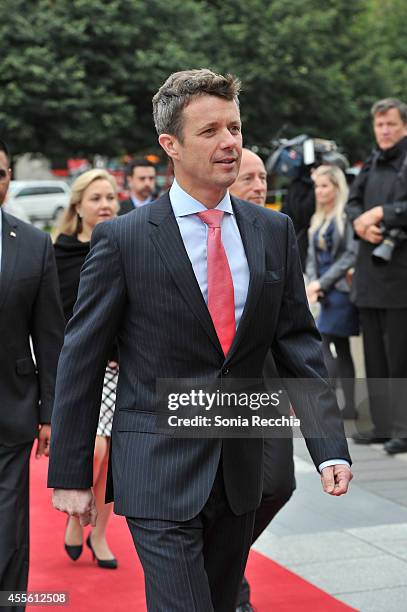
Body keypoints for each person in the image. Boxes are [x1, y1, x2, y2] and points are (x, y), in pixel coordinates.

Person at [48, 69, 352, 612]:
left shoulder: (271, 231)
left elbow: (298, 345)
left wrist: (328, 444)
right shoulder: (124, 240)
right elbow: (81, 359)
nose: (230, 142)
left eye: (234, 127)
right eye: (210, 130)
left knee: (219, 602)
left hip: (238, 470)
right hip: (156, 469)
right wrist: (71, 472)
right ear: (171, 145)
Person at [230, 148, 295, 612]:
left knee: (278, 483)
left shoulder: (275, 231)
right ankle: (233, 586)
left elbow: (295, 323)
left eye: (263, 177)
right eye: (248, 178)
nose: (259, 185)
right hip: (212, 391)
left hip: (268, 384)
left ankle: (227, 557)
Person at [0, 139, 64, 610]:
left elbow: (49, 336)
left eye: (2, 173)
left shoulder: (34, 244)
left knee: (8, 526)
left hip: (12, 407)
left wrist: (50, 412)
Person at [53, 169, 119, 568]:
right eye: (95, 197)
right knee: (95, 448)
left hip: (120, 368)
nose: (105, 204)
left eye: (110, 196)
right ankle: (79, 518)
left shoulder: (128, 242)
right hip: (80, 370)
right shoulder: (59, 253)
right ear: (78, 205)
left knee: (112, 458)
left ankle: (100, 535)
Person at [346, 98, 407, 453]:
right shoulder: (371, 161)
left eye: (391, 124)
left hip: (400, 276)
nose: (384, 131)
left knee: (400, 358)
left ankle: (403, 427)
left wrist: (384, 212)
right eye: (379, 125)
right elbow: (353, 202)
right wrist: (361, 223)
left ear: (403, 126)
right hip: (371, 273)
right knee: (375, 358)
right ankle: (382, 425)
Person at [306, 165, 359, 422]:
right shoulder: (318, 219)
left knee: (325, 341)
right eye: (317, 186)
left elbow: (350, 255)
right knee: (342, 348)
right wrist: (313, 282)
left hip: (340, 291)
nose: (319, 191)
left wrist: (323, 283)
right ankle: (348, 406)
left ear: (338, 189)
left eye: (325, 186)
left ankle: (328, 405)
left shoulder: (344, 217)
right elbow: (311, 257)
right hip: (323, 291)